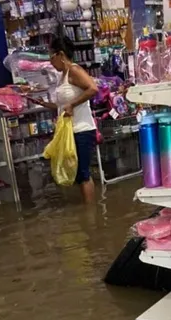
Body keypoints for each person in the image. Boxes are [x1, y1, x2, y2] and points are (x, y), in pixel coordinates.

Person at [26, 37, 99, 203]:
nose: (51, 62)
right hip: (69, 132)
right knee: (74, 173)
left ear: (60, 54)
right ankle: (87, 211)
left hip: (82, 129)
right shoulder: (62, 76)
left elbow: (93, 89)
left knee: (83, 173)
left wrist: (73, 104)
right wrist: (43, 103)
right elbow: (61, 106)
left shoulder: (74, 70)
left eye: (51, 57)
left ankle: (91, 213)